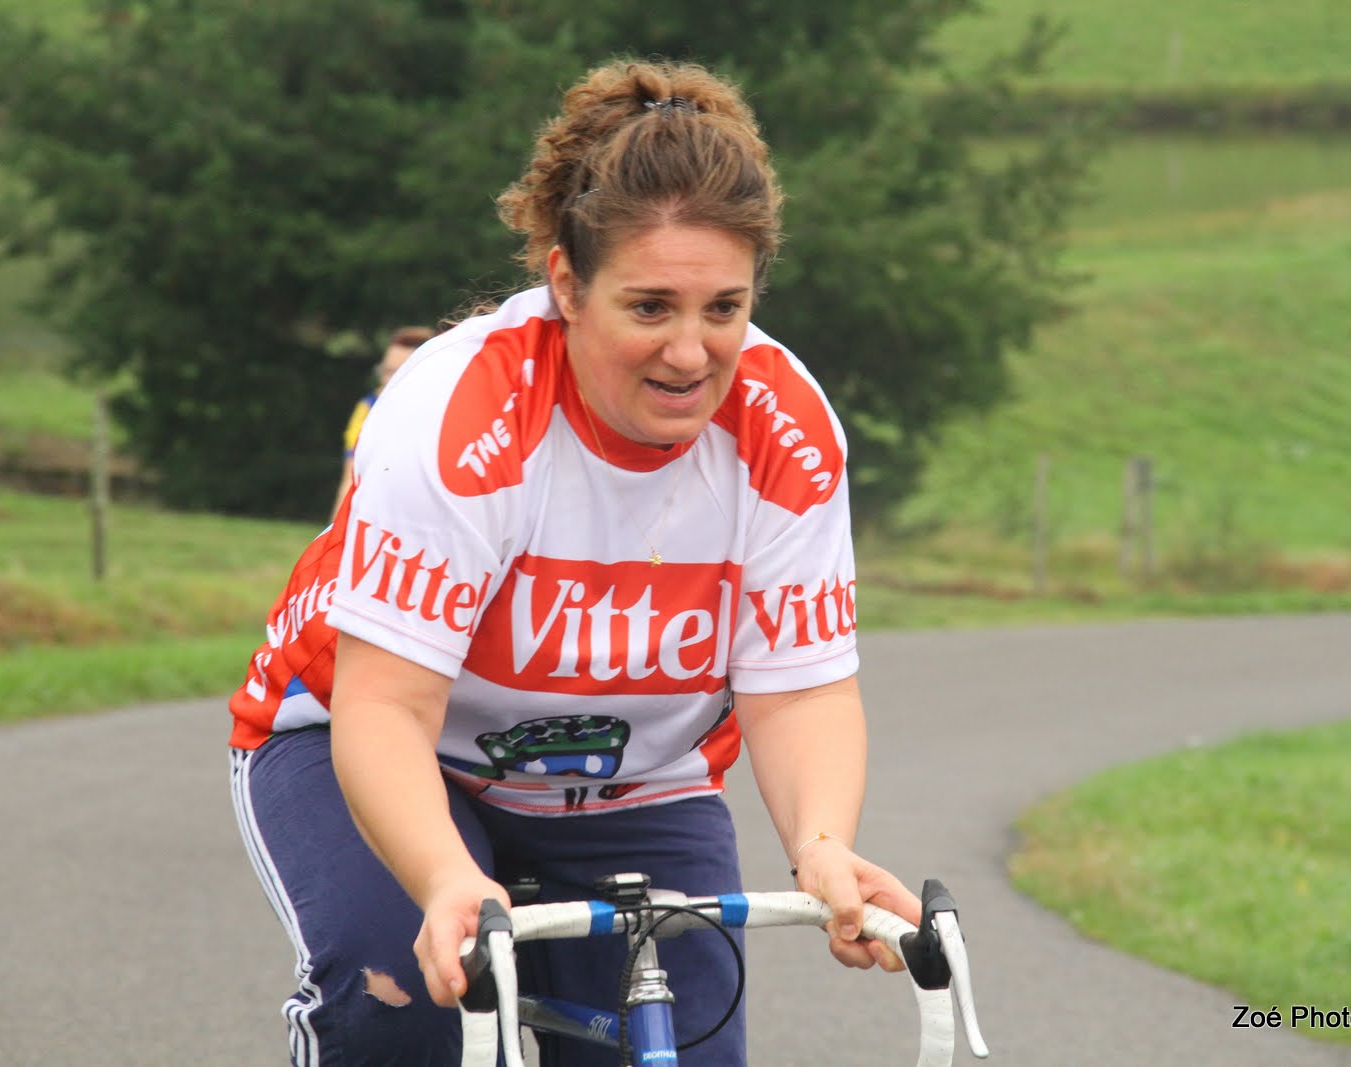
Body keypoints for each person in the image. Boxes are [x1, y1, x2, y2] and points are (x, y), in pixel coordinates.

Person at [228, 58, 922, 1067]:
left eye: (723, 308)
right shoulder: (462, 415)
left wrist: (821, 845)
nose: (690, 352)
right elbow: (388, 707)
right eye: (650, 307)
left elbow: (799, 689)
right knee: (403, 1003)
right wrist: (442, 877)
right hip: (381, 744)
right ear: (566, 285)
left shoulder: (785, 429)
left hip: (634, 786)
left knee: (680, 1046)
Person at [332, 325, 436, 517]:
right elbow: (350, 477)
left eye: (396, 373)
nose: (386, 382)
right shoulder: (368, 408)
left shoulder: (438, 415)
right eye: (384, 371)